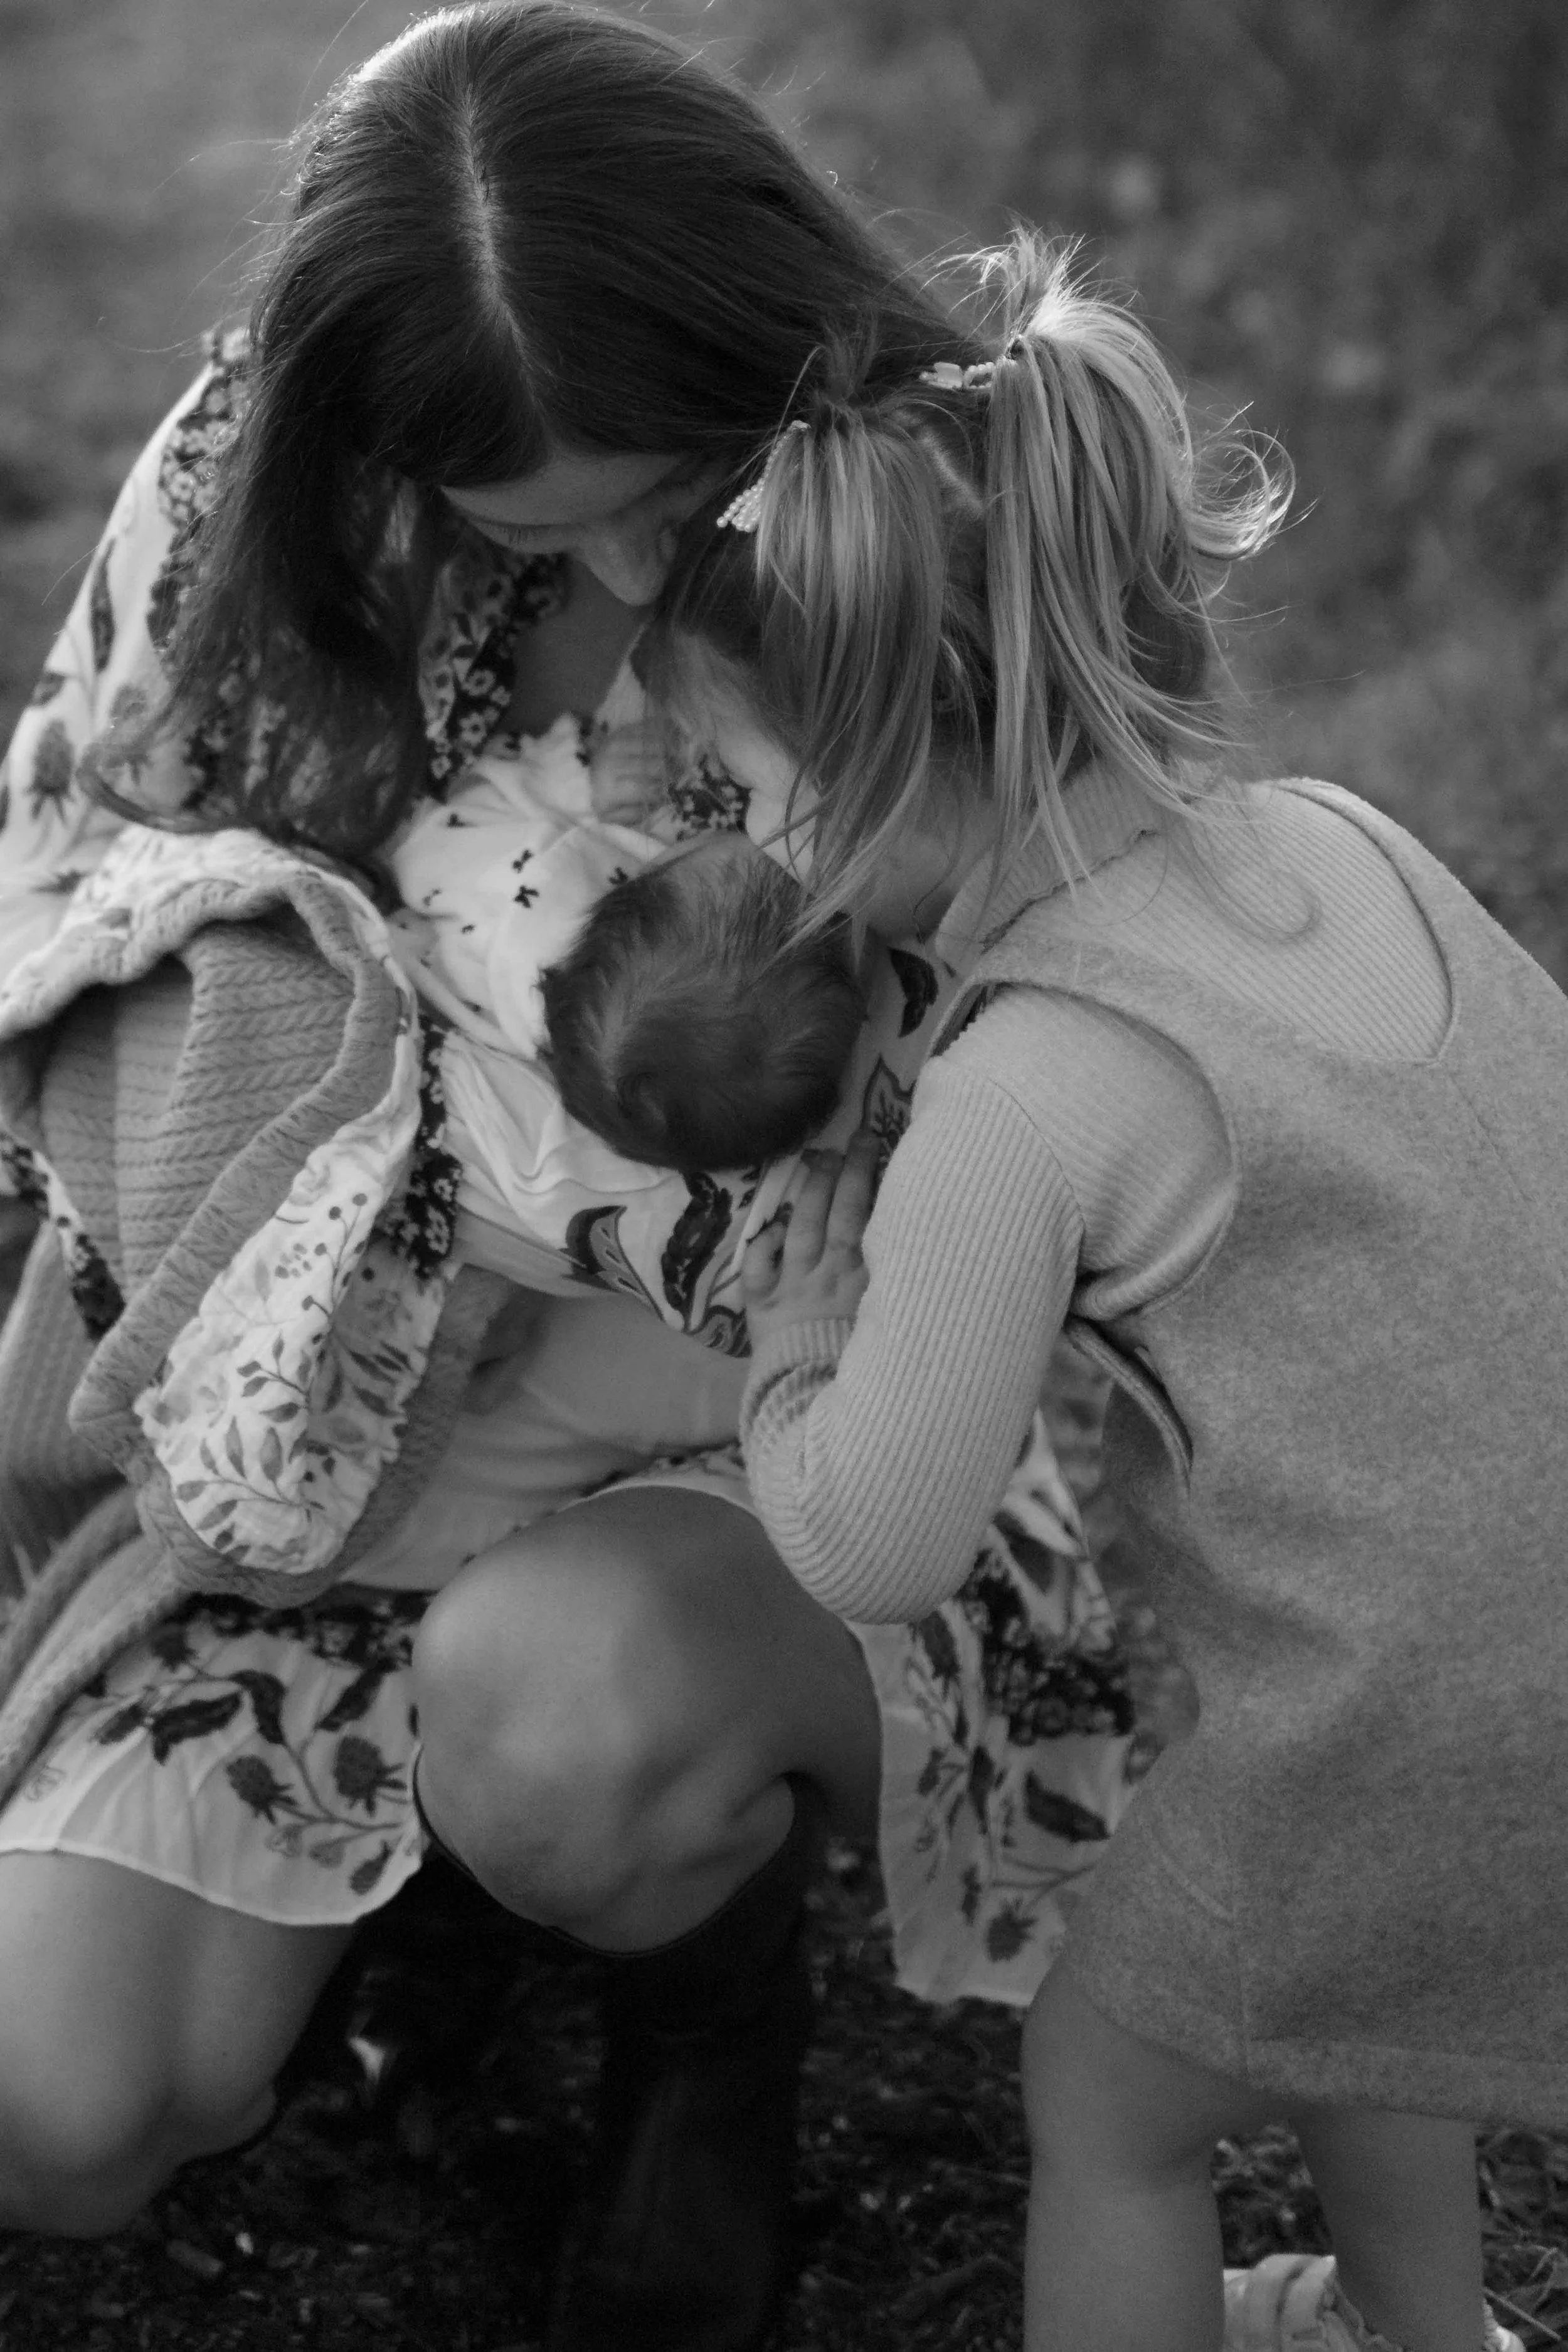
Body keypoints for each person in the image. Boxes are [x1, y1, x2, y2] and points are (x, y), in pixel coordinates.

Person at [0, 13, 1140, 2351]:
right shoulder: (258, 490)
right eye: (541, 527)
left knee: (572, 1729)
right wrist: (290, 1178)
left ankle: (695, 1982)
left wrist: (705, 1196)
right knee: (65, 2114)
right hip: (338, 1406)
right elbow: (86, 894)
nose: (626, 556)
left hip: (780, 1406)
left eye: (672, 477)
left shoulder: (909, 515)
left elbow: (1077, 1049)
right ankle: (405, 1871)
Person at [655, 234, 1564, 2352]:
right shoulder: (1345, 839)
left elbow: (875, 1540)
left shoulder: (1031, 1079)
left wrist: (799, 1331)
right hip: (1530, 1659)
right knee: (1341, 1988)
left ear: (891, 757)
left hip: (1395, 1731)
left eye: (762, 794)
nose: (759, 852)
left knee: (1111, 2087)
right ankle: (1426, 2335)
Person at [389, 713, 864, 1176]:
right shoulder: (589, 1032)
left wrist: (577, 784)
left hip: (439, 865)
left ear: (637, 885)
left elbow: (443, 825)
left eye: (700, 849)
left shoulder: (549, 869)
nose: (759, 835)